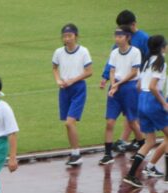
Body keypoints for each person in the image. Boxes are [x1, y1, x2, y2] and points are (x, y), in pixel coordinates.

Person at [101, 10, 150, 152]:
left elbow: (150, 60)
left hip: (138, 80)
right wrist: (105, 76)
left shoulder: (143, 39)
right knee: (130, 113)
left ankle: (132, 140)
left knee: (132, 113)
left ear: (133, 24)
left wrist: (144, 79)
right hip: (122, 81)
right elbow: (112, 61)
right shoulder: (119, 39)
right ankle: (129, 140)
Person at [123, 35, 167, 189]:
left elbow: (138, 86)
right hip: (153, 100)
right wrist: (163, 103)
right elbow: (154, 87)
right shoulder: (161, 62)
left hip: (141, 100)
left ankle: (131, 175)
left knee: (150, 142)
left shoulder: (146, 61)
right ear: (162, 47)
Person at [98, 26, 144, 165]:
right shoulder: (115, 52)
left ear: (127, 37)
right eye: (116, 36)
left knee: (132, 121)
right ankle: (107, 153)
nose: (117, 39)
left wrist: (117, 84)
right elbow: (112, 70)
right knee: (110, 121)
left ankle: (143, 146)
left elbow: (134, 72)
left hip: (129, 88)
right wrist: (113, 84)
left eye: (120, 36)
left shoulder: (135, 52)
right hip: (116, 87)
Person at [52, 24, 93, 167]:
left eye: (70, 36)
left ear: (76, 36)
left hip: (78, 89)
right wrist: (58, 80)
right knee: (69, 124)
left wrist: (72, 80)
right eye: (64, 36)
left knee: (69, 122)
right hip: (64, 89)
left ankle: (77, 153)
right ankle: (74, 153)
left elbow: (89, 71)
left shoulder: (83, 51)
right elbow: (55, 68)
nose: (67, 39)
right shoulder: (58, 52)